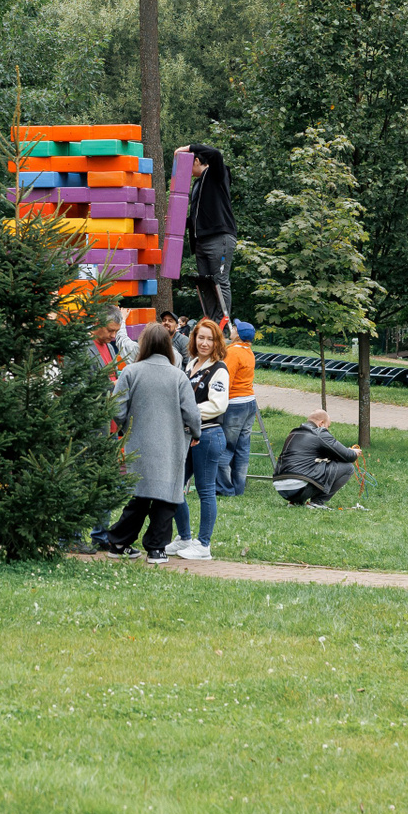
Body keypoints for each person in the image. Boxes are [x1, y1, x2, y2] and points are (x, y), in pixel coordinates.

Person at [103, 323, 202, 564]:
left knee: (140, 496)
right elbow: (191, 413)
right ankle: (157, 548)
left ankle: (118, 541)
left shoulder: (131, 372)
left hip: (138, 444)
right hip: (171, 445)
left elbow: (116, 409)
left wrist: (127, 428)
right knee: (167, 497)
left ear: (144, 344)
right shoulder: (178, 376)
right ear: (168, 345)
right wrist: (195, 432)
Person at [167, 317, 231, 561]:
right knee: (174, 486)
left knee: (205, 491)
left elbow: (218, 405)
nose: (204, 343)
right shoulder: (191, 364)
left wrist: (187, 412)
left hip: (208, 435)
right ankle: (184, 537)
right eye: (200, 337)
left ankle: (203, 545)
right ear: (193, 339)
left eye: (210, 339)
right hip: (188, 435)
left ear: (217, 342)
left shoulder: (219, 369)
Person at [176, 144, 236, 321]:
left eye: (188, 163)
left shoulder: (217, 173)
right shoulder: (197, 184)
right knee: (205, 283)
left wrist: (186, 148)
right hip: (201, 242)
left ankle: (223, 323)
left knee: (220, 280)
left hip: (219, 238)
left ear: (196, 160)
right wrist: (180, 221)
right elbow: (198, 217)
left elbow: (215, 153)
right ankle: (211, 321)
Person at [273, 408, 361, 507]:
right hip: (299, 486)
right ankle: (317, 502)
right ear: (321, 423)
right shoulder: (319, 433)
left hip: (280, 487)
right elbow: (349, 456)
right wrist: (353, 452)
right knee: (348, 467)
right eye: (328, 426)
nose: (327, 429)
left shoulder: (294, 433)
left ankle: (295, 502)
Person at [219, 320, 259, 497]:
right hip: (249, 402)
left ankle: (224, 488)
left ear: (238, 334)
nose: (232, 329)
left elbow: (225, 380)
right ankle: (238, 487)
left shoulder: (233, 352)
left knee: (226, 446)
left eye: (234, 328)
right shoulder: (248, 351)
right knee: (242, 448)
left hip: (235, 404)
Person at [89, 308, 136, 382]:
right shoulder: (82, 348)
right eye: (110, 330)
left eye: (116, 331)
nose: (113, 336)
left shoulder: (110, 347)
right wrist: (115, 384)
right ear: (97, 323)